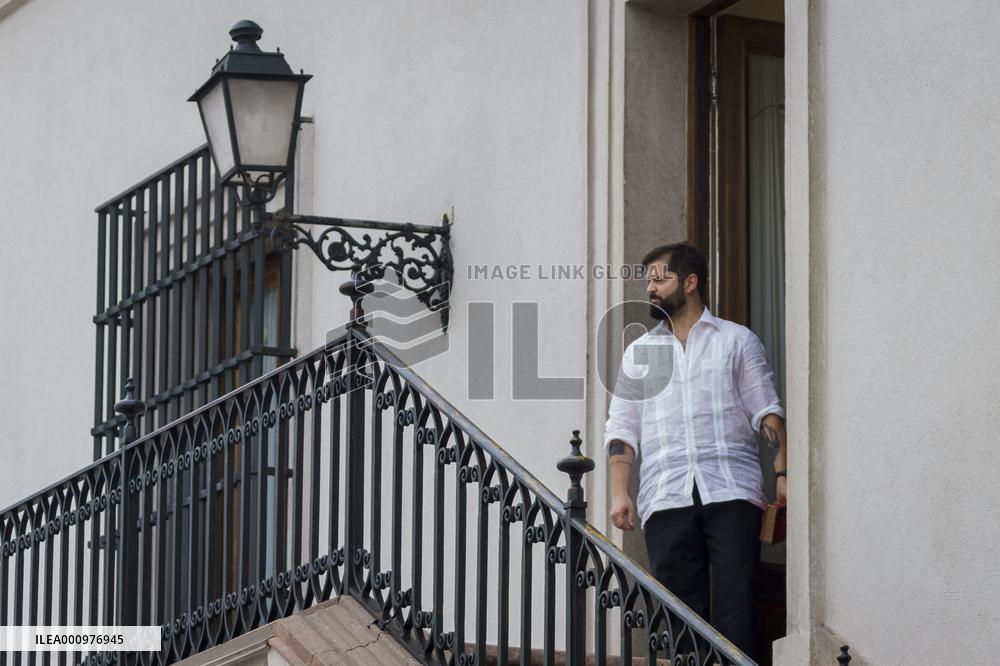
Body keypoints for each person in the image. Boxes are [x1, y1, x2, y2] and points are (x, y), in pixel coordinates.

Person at [604, 242, 786, 661]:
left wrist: (783, 476)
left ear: (690, 282)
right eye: (647, 280)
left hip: (732, 491)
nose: (650, 288)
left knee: (737, 602)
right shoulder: (641, 353)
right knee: (677, 612)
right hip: (665, 493)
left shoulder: (737, 341)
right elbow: (622, 428)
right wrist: (619, 491)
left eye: (660, 278)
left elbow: (767, 413)